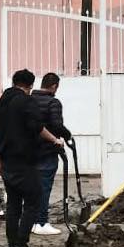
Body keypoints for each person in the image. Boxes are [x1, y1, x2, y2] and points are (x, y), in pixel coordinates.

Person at [0, 69, 64, 247]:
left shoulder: (2, 103)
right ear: (30, 85)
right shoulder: (26, 101)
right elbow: (37, 127)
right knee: (34, 199)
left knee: (14, 205)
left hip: (6, 161)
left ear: (14, 82)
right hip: (23, 161)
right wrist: (55, 140)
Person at [32, 72, 72, 236]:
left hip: (29, 152)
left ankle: (31, 221)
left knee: (32, 188)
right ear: (54, 86)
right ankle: (41, 222)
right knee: (44, 187)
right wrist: (67, 135)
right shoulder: (53, 102)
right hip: (47, 151)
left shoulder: (30, 100)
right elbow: (56, 125)